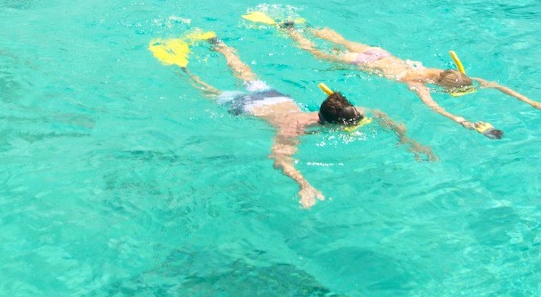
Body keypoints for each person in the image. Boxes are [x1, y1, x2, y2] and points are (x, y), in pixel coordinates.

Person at [181, 37, 435, 208]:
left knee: (244, 72)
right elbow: (279, 157)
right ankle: (183, 69)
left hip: (275, 97)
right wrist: (305, 185)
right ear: (334, 124)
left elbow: (381, 115)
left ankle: (221, 46)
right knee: (208, 90)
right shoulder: (295, 128)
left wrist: (409, 141)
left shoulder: (346, 111)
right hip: (251, 106)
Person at [274, 21, 541, 139]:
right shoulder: (417, 84)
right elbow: (435, 108)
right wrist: (463, 121)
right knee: (320, 56)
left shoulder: (440, 73)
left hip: (379, 54)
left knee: (340, 40)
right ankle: (292, 35)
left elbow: (497, 85)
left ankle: (301, 25)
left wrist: (535, 102)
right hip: (368, 66)